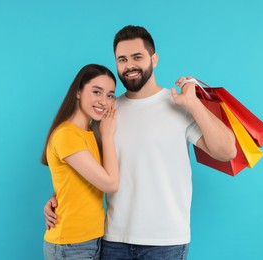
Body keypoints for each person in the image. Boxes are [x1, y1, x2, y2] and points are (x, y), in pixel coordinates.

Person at [44, 26, 237, 259]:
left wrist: (194, 104)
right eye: (122, 59)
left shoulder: (178, 104)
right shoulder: (105, 111)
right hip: (113, 239)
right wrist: (57, 200)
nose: (129, 65)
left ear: (154, 59)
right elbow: (79, 165)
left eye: (137, 57)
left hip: (166, 242)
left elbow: (226, 151)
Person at [41, 64, 119, 260]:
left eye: (110, 95)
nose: (104, 101)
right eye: (96, 92)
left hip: (91, 240)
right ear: (78, 92)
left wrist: (57, 196)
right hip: (71, 245)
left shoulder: (89, 133)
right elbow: (110, 184)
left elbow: (76, 182)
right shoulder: (67, 134)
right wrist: (108, 134)